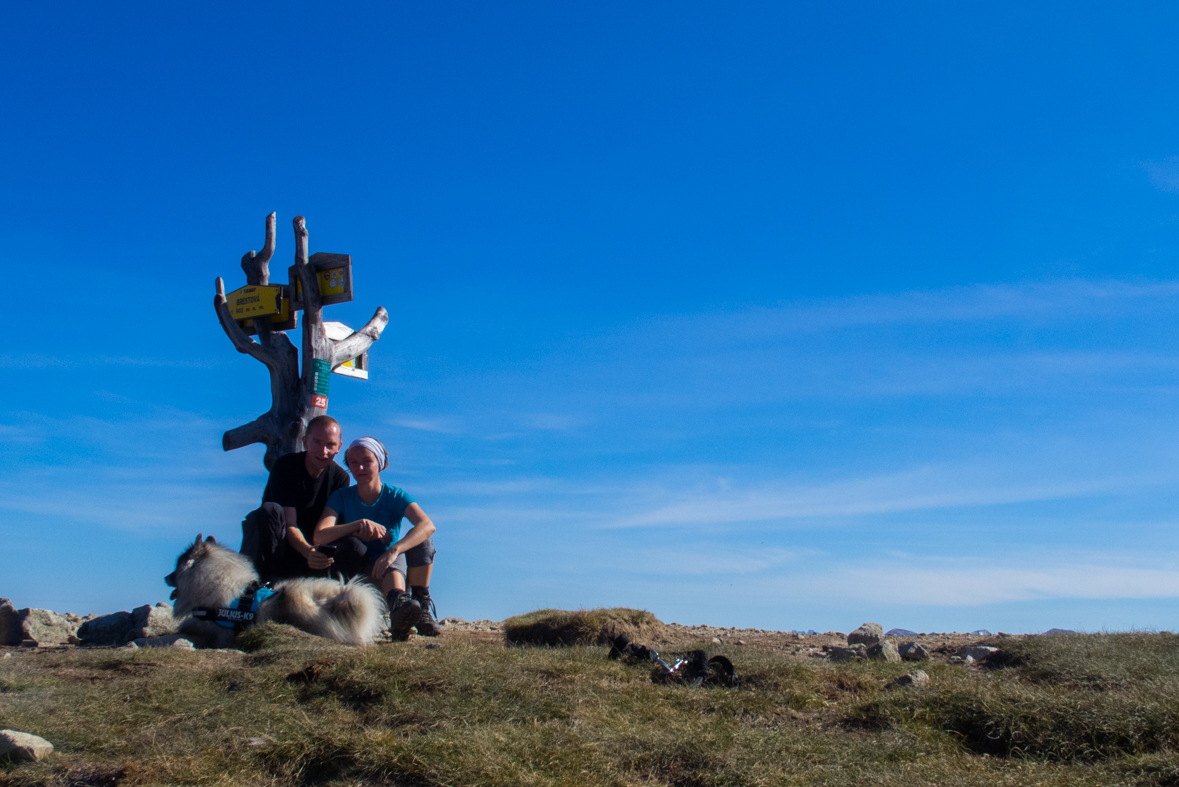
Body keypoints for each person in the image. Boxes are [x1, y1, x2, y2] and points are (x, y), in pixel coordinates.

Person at [238, 418, 441, 637]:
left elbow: (426, 525)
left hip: (344, 559)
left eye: (330, 445)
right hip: (288, 547)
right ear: (305, 441)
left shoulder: (343, 479)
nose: (323, 451)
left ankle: (408, 608)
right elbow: (297, 527)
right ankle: (253, 595)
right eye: (317, 442)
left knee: (377, 546)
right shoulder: (290, 469)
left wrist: (389, 547)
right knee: (271, 512)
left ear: (338, 447)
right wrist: (316, 547)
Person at [313, 436, 439, 640]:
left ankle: (412, 606)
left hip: (390, 573)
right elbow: (320, 535)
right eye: (353, 462)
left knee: (421, 541)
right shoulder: (342, 496)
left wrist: (394, 550)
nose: (360, 467)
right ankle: (397, 608)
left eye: (367, 461)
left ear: (379, 464)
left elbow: (427, 525)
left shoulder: (395, 495)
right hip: (356, 576)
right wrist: (357, 525)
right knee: (357, 546)